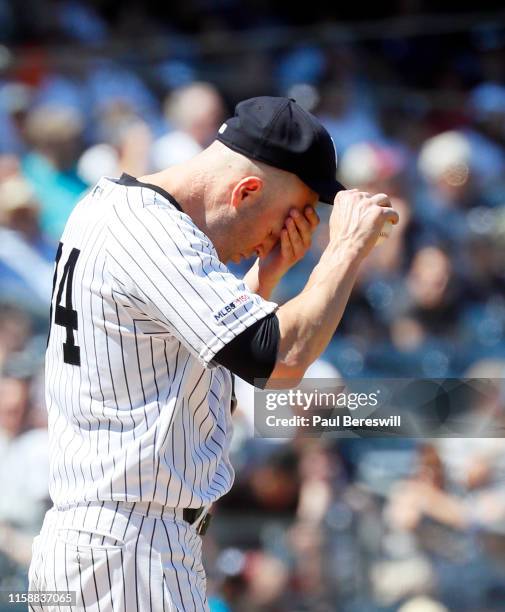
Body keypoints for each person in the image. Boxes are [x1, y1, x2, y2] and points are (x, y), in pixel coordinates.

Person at [28, 96, 398, 611]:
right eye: (283, 217)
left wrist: (264, 281)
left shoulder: (114, 207)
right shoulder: (150, 227)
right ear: (246, 191)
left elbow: (197, 360)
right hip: (127, 552)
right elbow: (281, 360)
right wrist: (343, 252)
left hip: (109, 543)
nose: (282, 236)